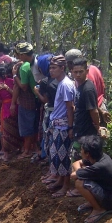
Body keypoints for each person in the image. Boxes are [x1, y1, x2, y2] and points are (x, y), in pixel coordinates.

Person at [42, 55, 75, 197]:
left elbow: (70, 108)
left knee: (63, 157)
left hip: (63, 126)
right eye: (50, 68)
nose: (51, 71)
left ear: (63, 68)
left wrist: (70, 127)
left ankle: (66, 186)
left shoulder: (66, 85)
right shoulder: (61, 83)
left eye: (54, 68)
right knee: (56, 155)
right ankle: (60, 181)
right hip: (57, 125)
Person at [71, 135, 112, 223]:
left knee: (79, 183)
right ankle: (94, 203)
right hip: (109, 192)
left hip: (111, 201)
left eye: (82, 149)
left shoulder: (100, 166)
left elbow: (72, 176)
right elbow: (76, 163)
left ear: (87, 154)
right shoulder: (98, 156)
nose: (80, 151)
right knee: (82, 175)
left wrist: (82, 172)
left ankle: (98, 209)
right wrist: (83, 171)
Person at [12, 42, 39, 158]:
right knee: (33, 124)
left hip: (27, 101)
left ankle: (27, 150)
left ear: (22, 54)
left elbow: (22, 86)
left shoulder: (23, 67)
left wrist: (14, 75)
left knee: (26, 125)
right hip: (36, 98)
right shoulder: (32, 64)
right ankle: (33, 148)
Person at [0, 64, 21, 162]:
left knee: (6, 132)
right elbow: (17, 93)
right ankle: (18, 149)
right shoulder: (11, 81)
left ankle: (6, 154)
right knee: (15, 129)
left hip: (5, 109)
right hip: (15, 107)